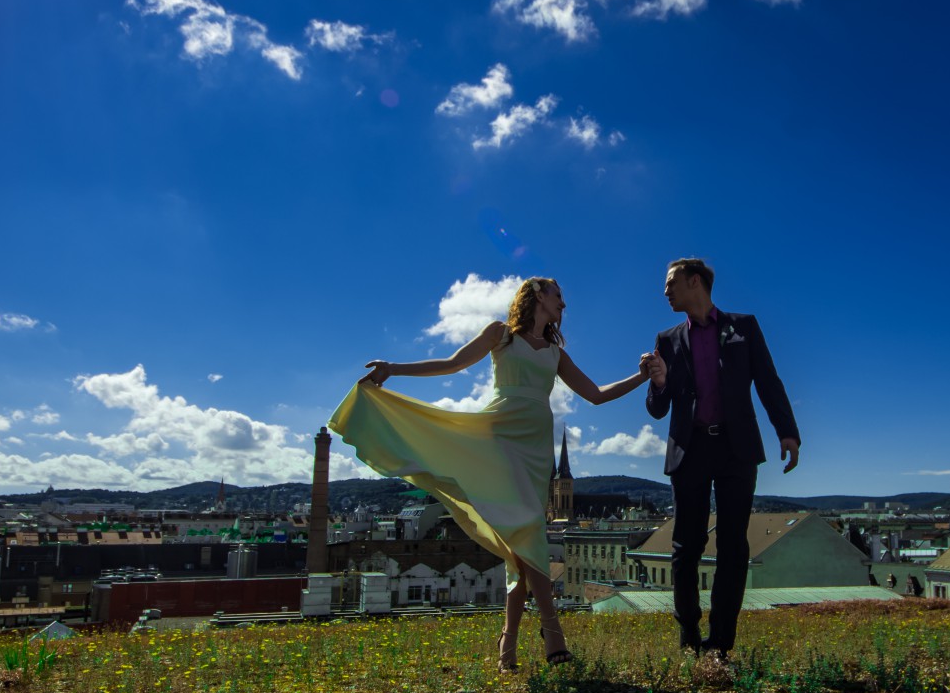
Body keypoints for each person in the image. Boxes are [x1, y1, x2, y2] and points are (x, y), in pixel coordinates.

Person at [329, 277, 655, 671]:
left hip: (536, 450)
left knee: (522, 548)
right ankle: (554, 635)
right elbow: (452, 364)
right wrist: (393, 369)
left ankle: (508, 643)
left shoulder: (554, 353)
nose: (563, 305)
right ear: (537, 295)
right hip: (499, 439)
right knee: (531, 530)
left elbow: (597, 394)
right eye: (558, 297)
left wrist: (642, 377)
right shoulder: (501, 335)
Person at [644, 258, 800, 660]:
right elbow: (657, 408)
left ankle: (721, 643)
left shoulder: (743, 327)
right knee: (685, 545)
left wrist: (787, 431)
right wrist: (659, 383)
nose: (665, 291)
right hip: (689, 449)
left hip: (736, 449)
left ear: (695, 281)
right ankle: (689, 637)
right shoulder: (667, 339)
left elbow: (768, 379)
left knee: (734, 544)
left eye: (670, 282)